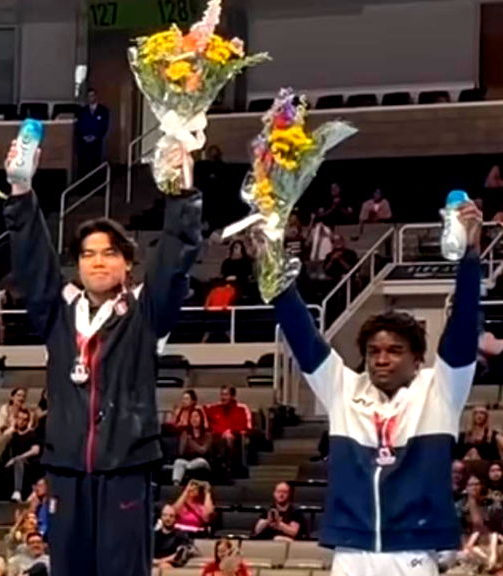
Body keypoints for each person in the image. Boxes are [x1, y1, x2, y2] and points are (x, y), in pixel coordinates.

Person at [4, 137, 200, 576]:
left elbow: (174, 260)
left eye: (109, 253)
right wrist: (21, 194)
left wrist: (182, 195)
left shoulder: (144, 313)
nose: (97, 262)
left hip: (124, 466)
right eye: (88, 254)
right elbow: (33, 262)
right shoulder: (59, 312)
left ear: (128, 263)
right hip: (67, 467)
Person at [270, 200, 482, 575]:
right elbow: (305, 341)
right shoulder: (343, 390)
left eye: (394, 351)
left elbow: (463, 332)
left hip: (414, 551)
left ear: (418, 358)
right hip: (352, 550)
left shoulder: (440, 392)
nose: (381, 359)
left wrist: (469, 257)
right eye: (373, 352)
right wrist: (275, 280)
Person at [205, 386, 252, 477]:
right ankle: (220, 468)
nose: (223, 397)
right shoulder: (214, 408)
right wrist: (222, 432)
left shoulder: (242, 408)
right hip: (217, 437)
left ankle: (227, 467)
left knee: (229, 438)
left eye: (226, 395)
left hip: (235, 438)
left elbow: (248, 428)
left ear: (233, 396)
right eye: (222, 394)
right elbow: (202, 417)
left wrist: (231, 431)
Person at [0, 407, 43, 502]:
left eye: (24, 420)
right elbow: (1, 443)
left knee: (19, 461)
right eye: (19, 419)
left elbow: (36, 450)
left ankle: (17, 491)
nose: (21, 422)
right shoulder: (13, 435)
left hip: (27, 464)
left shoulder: (32, 434)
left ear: (28, 421)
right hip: (11, 464)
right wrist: (10, 429)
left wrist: (18, 458)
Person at [75, 88, 110, 175]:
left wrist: (95, 136)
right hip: (83, 142)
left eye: (93, 95)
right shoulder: (82, 111)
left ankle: (96, 184)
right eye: (89, 96)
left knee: (95, 163)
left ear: (96, 96)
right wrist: (84, 136)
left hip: (96, 142)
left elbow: (104, 126)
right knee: (83, 164)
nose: (91, 98)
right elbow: (78, 126)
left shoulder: (103, 110)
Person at [172, 409, 212, 485]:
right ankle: (176, 485)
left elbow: (203, 451)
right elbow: (181, 452)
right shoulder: (185, 434)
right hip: (188, 460)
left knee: (200, 461)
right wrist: (183, 440)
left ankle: (186, 468)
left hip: (203, 461)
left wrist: (190, 441)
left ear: (201, 419)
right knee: (178, 462)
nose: (194, 419)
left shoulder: (207, 435)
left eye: (196, 416)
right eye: (192, 417)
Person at [153, 504, 194, 573]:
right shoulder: (153, 535)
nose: (167, 518)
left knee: (164, 566)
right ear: (161, 517)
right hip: (153, 564)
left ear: (175, 518)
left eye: (171, 516)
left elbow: (179, 555)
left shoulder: (181, 535)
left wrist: (160, 561)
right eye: (165, 515)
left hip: (172, 566)